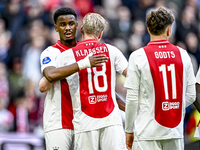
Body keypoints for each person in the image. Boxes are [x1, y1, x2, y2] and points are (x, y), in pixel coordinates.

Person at [124, 7, 196, 150]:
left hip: (146, 131)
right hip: (174, 131)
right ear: (169, 30)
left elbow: (131, 99)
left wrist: (128, 130)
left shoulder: (137, 56)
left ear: (148, 30)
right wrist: (172, 108)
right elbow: (191, 95)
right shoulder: (183, 55)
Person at [56, 13, 128, 150]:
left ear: (81, 30)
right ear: (100, 34)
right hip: (111, 120)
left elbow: (52, 81)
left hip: (84, 120)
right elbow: (131, 76)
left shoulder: (65, 56)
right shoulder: (112, 51)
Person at [39, 7, 107, 150]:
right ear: (56, 28)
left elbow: (104, 88)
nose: (68, 28)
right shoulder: (50, 53)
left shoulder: (87, 52)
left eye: (71, 23)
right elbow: (50, 75)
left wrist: (127, 108)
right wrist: (84, 63)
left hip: (84, 122)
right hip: (58, 122)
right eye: (63, 25)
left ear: (78, 25)